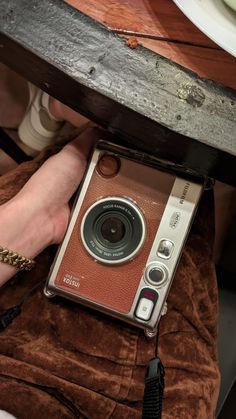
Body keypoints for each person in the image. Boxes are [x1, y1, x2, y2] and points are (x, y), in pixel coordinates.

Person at [0, 64, 220, 418]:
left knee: (108, 156)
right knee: (180, 162)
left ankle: (61, 112)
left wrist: (29, 221)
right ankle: (62, 111)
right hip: (130, 389)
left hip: (11, 327)